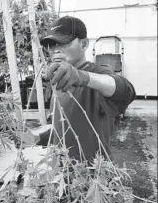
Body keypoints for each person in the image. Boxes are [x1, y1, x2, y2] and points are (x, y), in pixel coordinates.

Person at [32, 16, 136, 162]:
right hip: (63, 174)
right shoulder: (59, 80)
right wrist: (38, 138)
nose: (55, 50)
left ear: (84, 44)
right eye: (51, 44)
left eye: (64, 42)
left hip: (92, 175)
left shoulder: (96, 74)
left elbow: (126, 91)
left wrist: (83, 77)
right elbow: (65, 125)